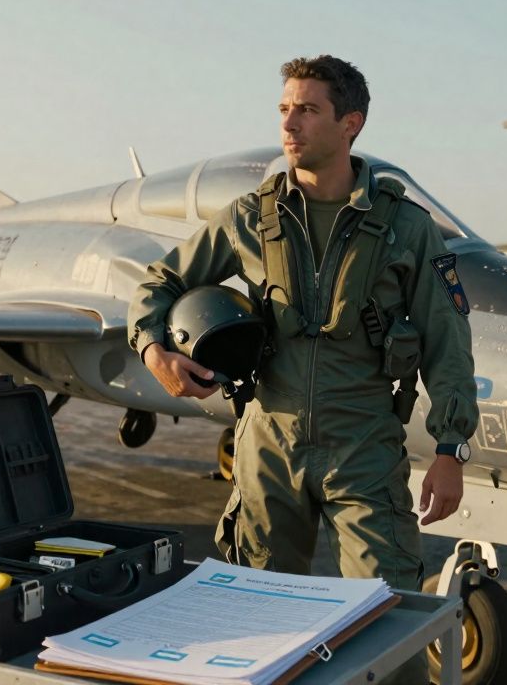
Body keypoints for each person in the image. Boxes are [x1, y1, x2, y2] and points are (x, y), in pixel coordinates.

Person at [127, 56, 477, 684]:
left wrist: (450, 449)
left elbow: (447, 343)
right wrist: (156, 351)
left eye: (308, 109)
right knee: (252, 623)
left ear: (351, 123)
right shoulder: (249, 218)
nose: (290, 122)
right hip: (267, 444)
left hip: (364, 444)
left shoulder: (405, 228)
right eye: (284, 108)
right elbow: (160, 280)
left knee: (386, 622)